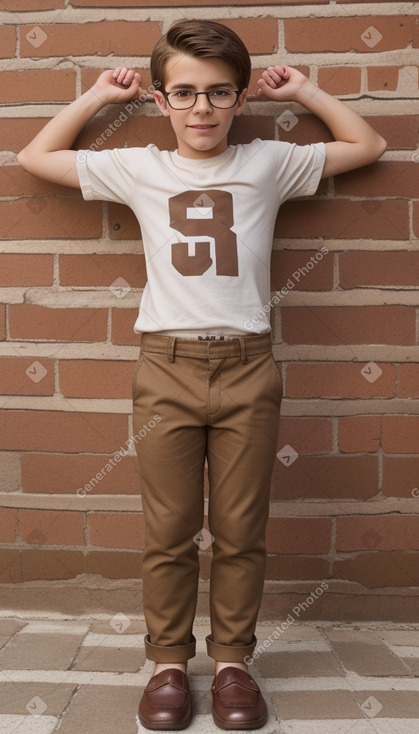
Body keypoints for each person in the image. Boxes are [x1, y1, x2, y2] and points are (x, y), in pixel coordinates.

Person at [17, 18, 386, 731]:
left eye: (218, 93)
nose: (201, 109)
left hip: (248, 366)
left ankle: (232, 664)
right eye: (183, 93)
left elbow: (367, 145)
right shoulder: (139, 168)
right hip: (166, 366)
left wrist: (306, 90)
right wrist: (96, 98)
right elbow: (36, 155)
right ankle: (164, 662)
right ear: (159, 101)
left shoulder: (269, 161)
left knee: (242, 528)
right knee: (171, 527)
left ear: (240, 98)